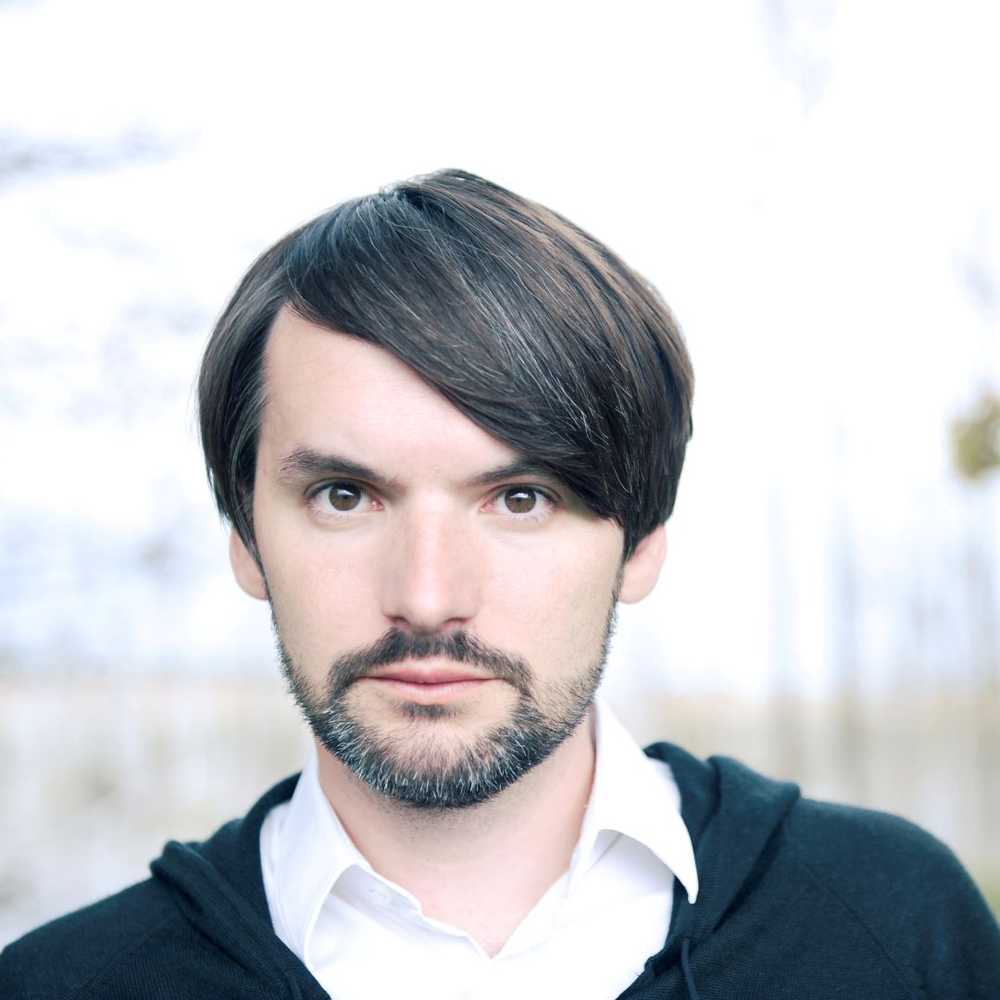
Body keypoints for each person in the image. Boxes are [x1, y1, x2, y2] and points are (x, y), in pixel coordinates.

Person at [2, 169, 998, 999]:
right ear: (245, 536)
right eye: (346, 496)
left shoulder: (893, 927)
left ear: (641, 540)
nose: (428, 597)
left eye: (520, 499)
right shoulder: (63, 985)